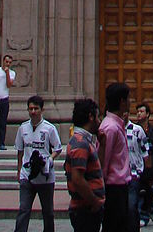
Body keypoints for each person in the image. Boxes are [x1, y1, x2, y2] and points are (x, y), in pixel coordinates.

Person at [14, 94, 63, 232]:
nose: (33, 112)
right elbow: (20, 150)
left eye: (36, 108)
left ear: (42, 110)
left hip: (45, 177)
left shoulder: (49, 128)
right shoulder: (23, 128)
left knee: (48, 212)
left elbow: (58, 148)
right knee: (24, 209)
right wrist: (19, 170)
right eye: (30, 109)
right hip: (27, 175)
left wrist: (50, 159)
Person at [64, 97, 106, 232]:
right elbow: (77, 179)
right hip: (85, 209)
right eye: (98, 116)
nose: (100, 121)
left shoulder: (85, 142)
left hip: (87, 208)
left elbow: (95, 167)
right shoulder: (80, 143)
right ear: (91, 117)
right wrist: (94, 202)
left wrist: (102, 144)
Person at [98, 81, 131, 232]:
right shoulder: (110, 127)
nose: (130, 102)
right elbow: (103, 159)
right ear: (122, 101)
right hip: (113, 188)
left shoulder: (117, 124)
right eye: (128, 99)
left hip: (120, 187)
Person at [125, 108, 151, 232]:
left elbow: (145, 152)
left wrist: (147, 173)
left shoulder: (137, 130)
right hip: (117, 176)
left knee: (132, 206)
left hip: (134, 174)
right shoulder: (111, 129)